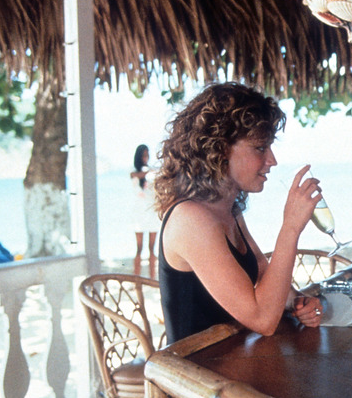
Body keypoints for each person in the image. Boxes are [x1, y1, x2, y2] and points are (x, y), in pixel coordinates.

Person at [153, 82, 323, 343]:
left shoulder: (226, 208)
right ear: (220, 149)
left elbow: (264, 274)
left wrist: (296, 301)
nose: (272, 160)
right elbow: (262, 320)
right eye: (260, 148)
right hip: (193, 376)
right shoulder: (190, 219)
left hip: (229, 364)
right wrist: (291, 227)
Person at [130, 144, 160, 278]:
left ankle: (152, 278)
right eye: (143, 155)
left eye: (147, 155)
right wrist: (151, 172)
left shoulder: (151, 173)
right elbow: (137, 175)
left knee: (152, 248)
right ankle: (136, 277)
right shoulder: (134, 171)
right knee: (139, 248)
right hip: (139, 213)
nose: (145, 158)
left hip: (152, 212)